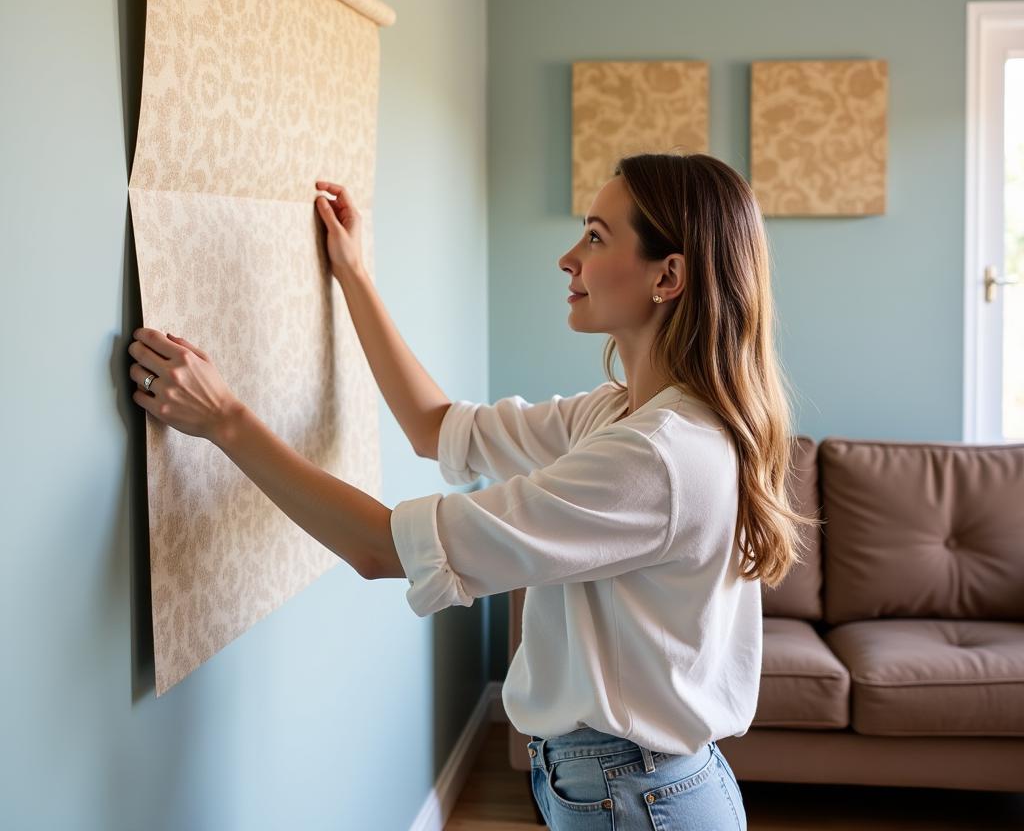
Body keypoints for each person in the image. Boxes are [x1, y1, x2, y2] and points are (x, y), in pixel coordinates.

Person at [128, 152, 819, 830]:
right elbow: (435, 428)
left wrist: (225, 420)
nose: (568, 257)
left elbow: (379, 548)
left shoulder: (656, 457)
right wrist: (354, 275)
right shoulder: (621, 416)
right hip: (623, 785)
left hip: (634, 796)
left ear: (667, 276)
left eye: (596, 237)